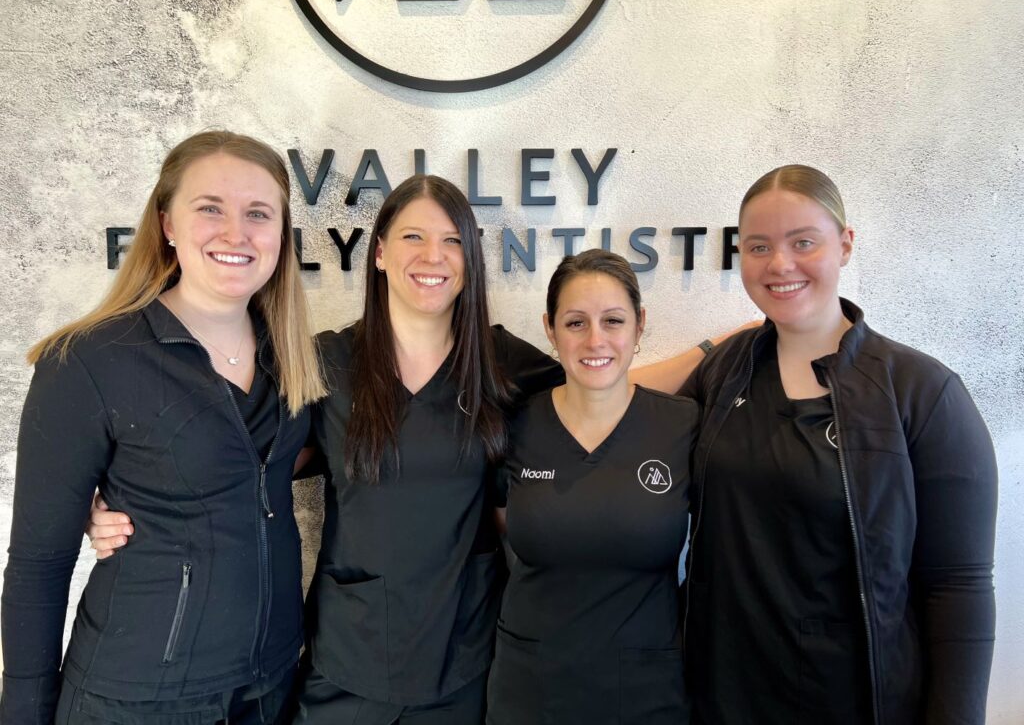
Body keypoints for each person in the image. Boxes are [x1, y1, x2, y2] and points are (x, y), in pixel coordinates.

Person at [85, 175, 728, 725]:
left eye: (453, 240)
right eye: (415, 237)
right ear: (383, 254)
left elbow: (603, 379)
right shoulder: (330, 361)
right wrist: (118, 492)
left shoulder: (499, 363)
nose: (435, 255)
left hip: (463, 661)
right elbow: (243, 455)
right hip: (347, 658)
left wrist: (711, 354)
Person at [1, 131, 326, 725]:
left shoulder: (292, 358)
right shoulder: (90, 360)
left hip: (271, 685)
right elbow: (36, 566)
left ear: (281, 234)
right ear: (167, 222)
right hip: (138, 698)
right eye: (210, 208)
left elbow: (271, 463)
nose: (236, 233)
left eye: (259, 214)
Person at [679, 164, 998, 724]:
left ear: (845, 245)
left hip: (855, 699)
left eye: (803, 242)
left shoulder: (920, 391)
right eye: (758, 246)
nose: (780, 264)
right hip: (723, 695)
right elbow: (626, 411)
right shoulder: (723, 374)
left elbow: (958, 586)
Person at [487, 250, 696, 725]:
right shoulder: (514, 425)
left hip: (647, 690)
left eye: (614, 320)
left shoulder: (682, 425)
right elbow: (494, 517)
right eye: (576, 322)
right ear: (550, 328)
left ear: (640, 326)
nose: (595, 339)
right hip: (530, 688)